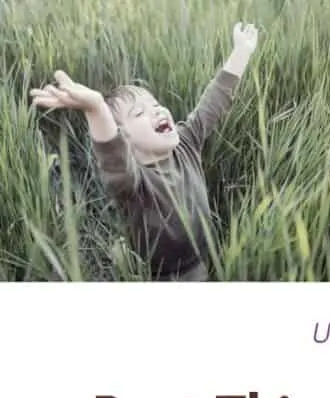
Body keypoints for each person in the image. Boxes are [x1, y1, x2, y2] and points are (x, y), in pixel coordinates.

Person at [29, 22, 259, 281]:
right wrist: (96, 109)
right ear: (125, 139)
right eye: (140, 112)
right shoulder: (132, 182)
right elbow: (111, 152)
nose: (157, 110)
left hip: (202, 257)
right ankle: (124, 255)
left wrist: (241, 52)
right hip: (165, 274)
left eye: (156, 104)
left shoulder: (187, 143)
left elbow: (214, 101)